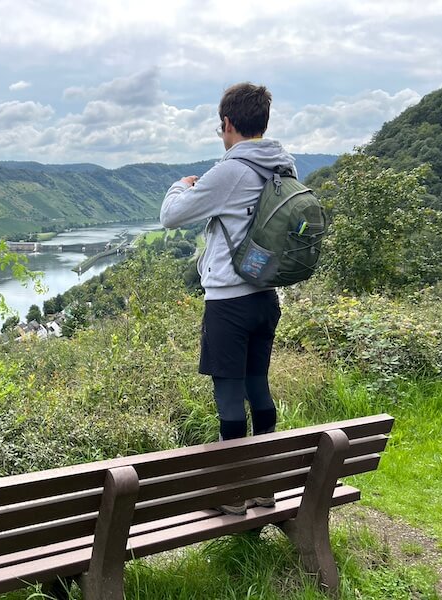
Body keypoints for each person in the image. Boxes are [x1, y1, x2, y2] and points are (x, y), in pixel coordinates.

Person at [160, 82, 296, 514]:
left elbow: (171, 217)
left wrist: (179, 186)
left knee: (228, 393)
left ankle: (234, 493)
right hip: (265, 298)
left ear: (228, 123)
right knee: (258, 385)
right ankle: (264, 485)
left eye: (221, 128)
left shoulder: (232, 169)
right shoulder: (283, 168)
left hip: (229, 302)